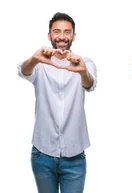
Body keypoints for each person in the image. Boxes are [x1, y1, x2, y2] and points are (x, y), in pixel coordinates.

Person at [17, 12, 97, 193]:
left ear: (73, 36)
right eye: (57, 32)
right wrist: (34, 59)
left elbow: (90, 84)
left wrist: (82, 72)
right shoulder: (39, 63)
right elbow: (23, 71)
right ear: (49, 35)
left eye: (67, 32)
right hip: (42, 154)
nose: (62, 37)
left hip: (75, 156)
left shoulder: (85, 63)